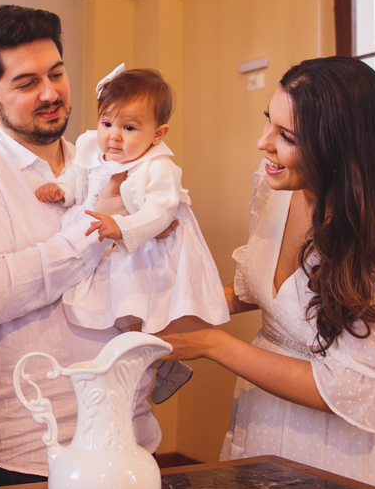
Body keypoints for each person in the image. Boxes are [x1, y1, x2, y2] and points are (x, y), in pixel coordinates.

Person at [160, 57, 375, 489]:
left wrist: (211, 343)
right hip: (265, 409)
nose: (262, 142)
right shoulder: (274, 190)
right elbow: (262, 291)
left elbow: (349, 390)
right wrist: (166, 306)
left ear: (339, 148)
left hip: (340, 442)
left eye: (286, 136)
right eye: (268, 122)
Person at [0, 5, 163, 489]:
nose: (51, 93)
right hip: (25, 455)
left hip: (130, 444)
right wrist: (93, 233)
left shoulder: (109, 159)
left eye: (56, 73)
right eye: (27, 82)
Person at [34, 64, 229, 403]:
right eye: (107, 123)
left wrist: (122, 226)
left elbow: (162, 210)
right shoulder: (93, 151)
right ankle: (155, 368)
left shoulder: (156, 166)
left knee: (138, 313)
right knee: (113, 314)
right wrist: (62, 190)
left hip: (144, 249)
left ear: (158, 133)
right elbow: (78, 179)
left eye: (129, 127)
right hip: (108, 242)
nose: (114, 136)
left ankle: (166, 364)